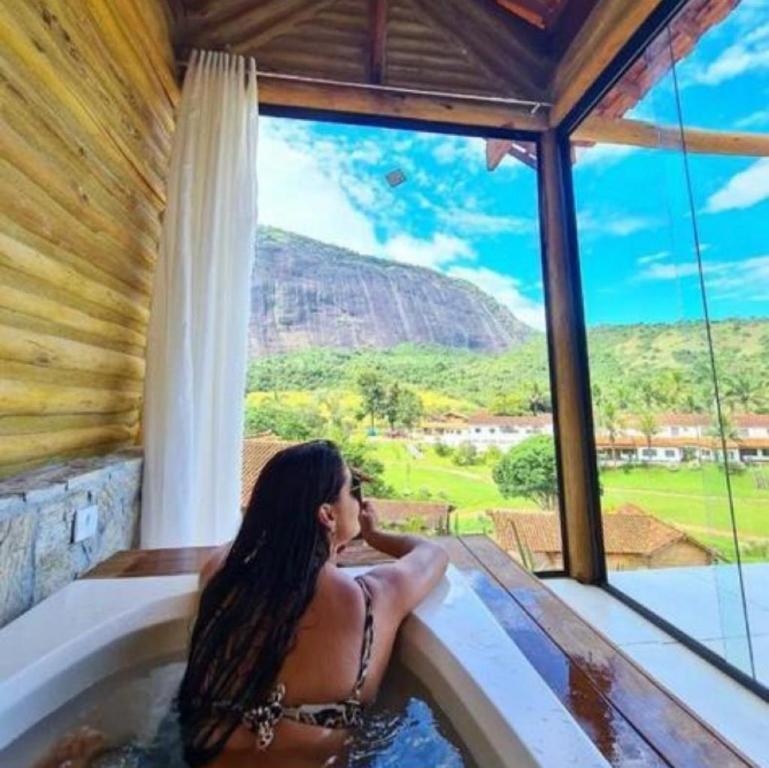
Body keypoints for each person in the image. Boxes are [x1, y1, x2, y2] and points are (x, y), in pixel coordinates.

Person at [177, 439, 449, 768]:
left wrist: (282, 522)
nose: (359, 500)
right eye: (354, 490)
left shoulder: (221, 577)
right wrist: (375, 535)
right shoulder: (367, 598)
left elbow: (240, 548)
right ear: (327, 514)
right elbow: (432, 554)